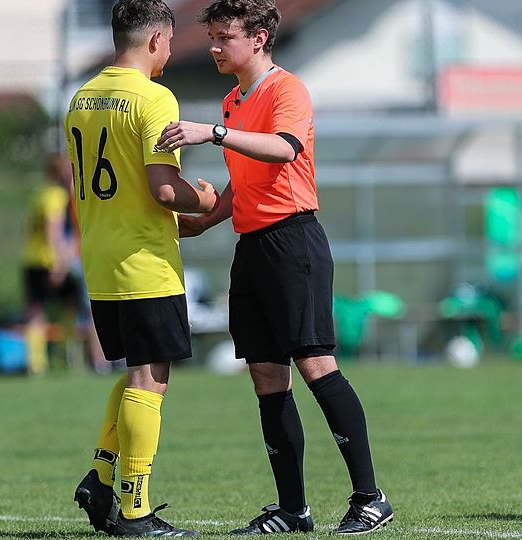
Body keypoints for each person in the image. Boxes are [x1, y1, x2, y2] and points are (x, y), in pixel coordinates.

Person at [155, 0, 393, 534]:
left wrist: (211, 133)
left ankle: (370, 497)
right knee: (266, 375)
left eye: (225, 37)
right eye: (212, 37)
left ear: (259, 38)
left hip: (294, 242)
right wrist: (206, 220)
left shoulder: (288, 90)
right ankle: (292, 509)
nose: (214, 47)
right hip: (253, 248)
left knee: (316, 366)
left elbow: (283, 150)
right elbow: (244, 178)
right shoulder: (233, 101)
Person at [65, 0, 218, 537]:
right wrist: (205, 199)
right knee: (151, 380)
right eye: (170, 42)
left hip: (101, 257)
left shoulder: (81, 97)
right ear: (155, 39)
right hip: (144, 260)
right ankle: (135, 509)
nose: (170, 53)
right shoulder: (154, 97)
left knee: (136, 372)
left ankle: (100, 478)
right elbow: (163, 188)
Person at [22, 154, 76, 374]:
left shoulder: (38, 193)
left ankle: (36, 363)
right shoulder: (56, 196)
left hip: (31, 258)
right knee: (70, 306)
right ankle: (66, 356)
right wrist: (60, 263)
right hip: (49, 260)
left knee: (35, 312)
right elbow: (53, 231)